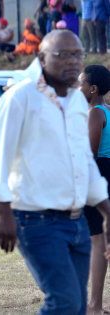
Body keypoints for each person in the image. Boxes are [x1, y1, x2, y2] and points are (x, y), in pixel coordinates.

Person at [0, 30, 110, 315]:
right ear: (41, 57)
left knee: (76, 305)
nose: (73, 62)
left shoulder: (77, 102)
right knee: (63, 302)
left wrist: (106, 211)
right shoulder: (19, 98)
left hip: (76, 222)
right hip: (35, 219)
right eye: (62, 55)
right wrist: (4, 212)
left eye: (78, 55)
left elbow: (83, 162)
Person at [79, 64, 110, 315]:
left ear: (93, 88)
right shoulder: (108, 111)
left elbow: (89, 154)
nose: (78, 88)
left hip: (98, 175)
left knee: (98, 242)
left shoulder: (95, 113)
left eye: (81, 84)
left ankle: (95, 305)